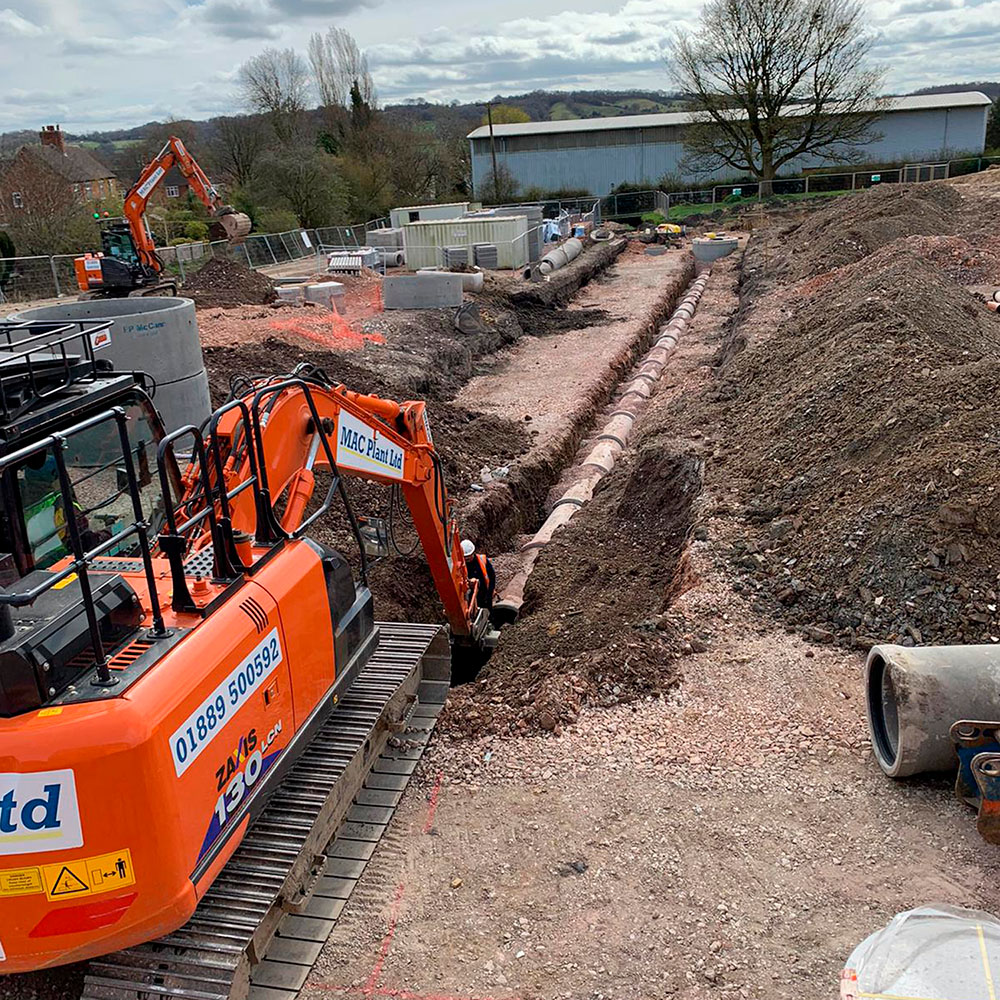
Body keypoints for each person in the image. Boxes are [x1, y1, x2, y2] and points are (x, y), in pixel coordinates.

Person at [461, 538, 496, 611]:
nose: (467, 559)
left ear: (473, 552)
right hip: (470, 597)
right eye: (465, 558)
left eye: (469, 557)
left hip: (485, 593)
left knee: (488, 612)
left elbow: (492, 577)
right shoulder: (460, 566)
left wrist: (490, 593)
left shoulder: (482, 560)